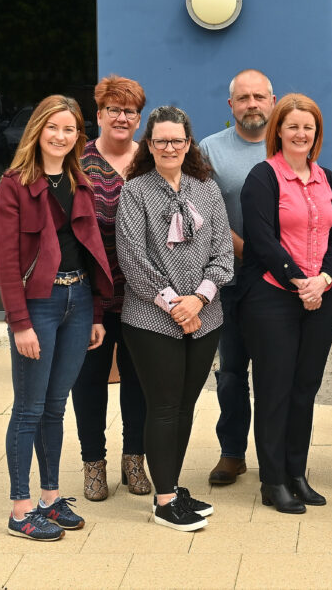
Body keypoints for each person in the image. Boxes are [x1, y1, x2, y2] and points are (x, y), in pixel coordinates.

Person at [0, 95, 114, 541]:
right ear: (37, 130)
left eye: (70, 129)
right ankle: (20, 509)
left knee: (55, 407)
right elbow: (6, 261)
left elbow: (89, 250)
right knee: (29, 408)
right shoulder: (15, 184)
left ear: (78, 136)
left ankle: (49, 498)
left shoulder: (80, 181)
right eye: (53, 127)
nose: (61, 136)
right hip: (38, 305)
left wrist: (96, 311)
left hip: (78, 299)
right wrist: (19, 322)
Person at [116, 106, 233, 531]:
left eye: (177, 140)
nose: (170, 147)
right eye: (161, 140)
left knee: (185, 406)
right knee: (164, 407)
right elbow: (133, 258)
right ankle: (164, 502)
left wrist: (197, 301)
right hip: (151, 319)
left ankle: (173, 486)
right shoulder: (135, 191)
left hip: (205, 317)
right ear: (149, 144)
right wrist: (175, 305)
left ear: (188, 144)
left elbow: (223, 253)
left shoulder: (207, 188)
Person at [237, 94, 332, 513]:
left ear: (317, 134)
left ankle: (297, 474)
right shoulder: (263, 177)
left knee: (305, 390)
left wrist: (324, 279)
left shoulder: (327, 178)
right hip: (273, 299)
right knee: (274, 390)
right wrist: (301, 282)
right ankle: (273, 480)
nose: (301, 134)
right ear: (278, 131)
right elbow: (262, 241)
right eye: (293, 126)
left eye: (308, 127)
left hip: (320, 296)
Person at [71, 75, 151, 501]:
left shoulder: (151, 161)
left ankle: (134, 459)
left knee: (139, 380)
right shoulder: (78, 164)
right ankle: (93, 464)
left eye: (130, 111)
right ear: (99, 114)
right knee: (89, 380)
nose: (122, 117)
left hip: (143, 295)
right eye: (114, 110)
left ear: (139, 118)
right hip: (90, 296)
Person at [201, 69, 276, 485]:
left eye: (259, 97)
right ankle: (232, 452)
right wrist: (252, 253)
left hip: (277, 283)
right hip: (228, 281)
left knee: (274, 372)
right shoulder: (210, 150)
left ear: (272, 101)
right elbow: (206, 214)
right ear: (231, 105)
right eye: (243, 98)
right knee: (231, 371)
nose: (252, 104)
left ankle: (273, 454)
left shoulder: (288, 144)